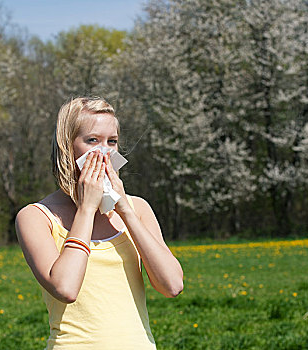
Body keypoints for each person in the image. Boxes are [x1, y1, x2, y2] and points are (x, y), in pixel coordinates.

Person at [15, 96, 183, 349]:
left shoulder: (138, 208)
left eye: (112, 141)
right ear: (67, 147)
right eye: (92, 140)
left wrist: (124, 209)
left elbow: (172, 285)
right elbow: (66, 288)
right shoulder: (36, 216)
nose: (105, 152)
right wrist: (86, 208)